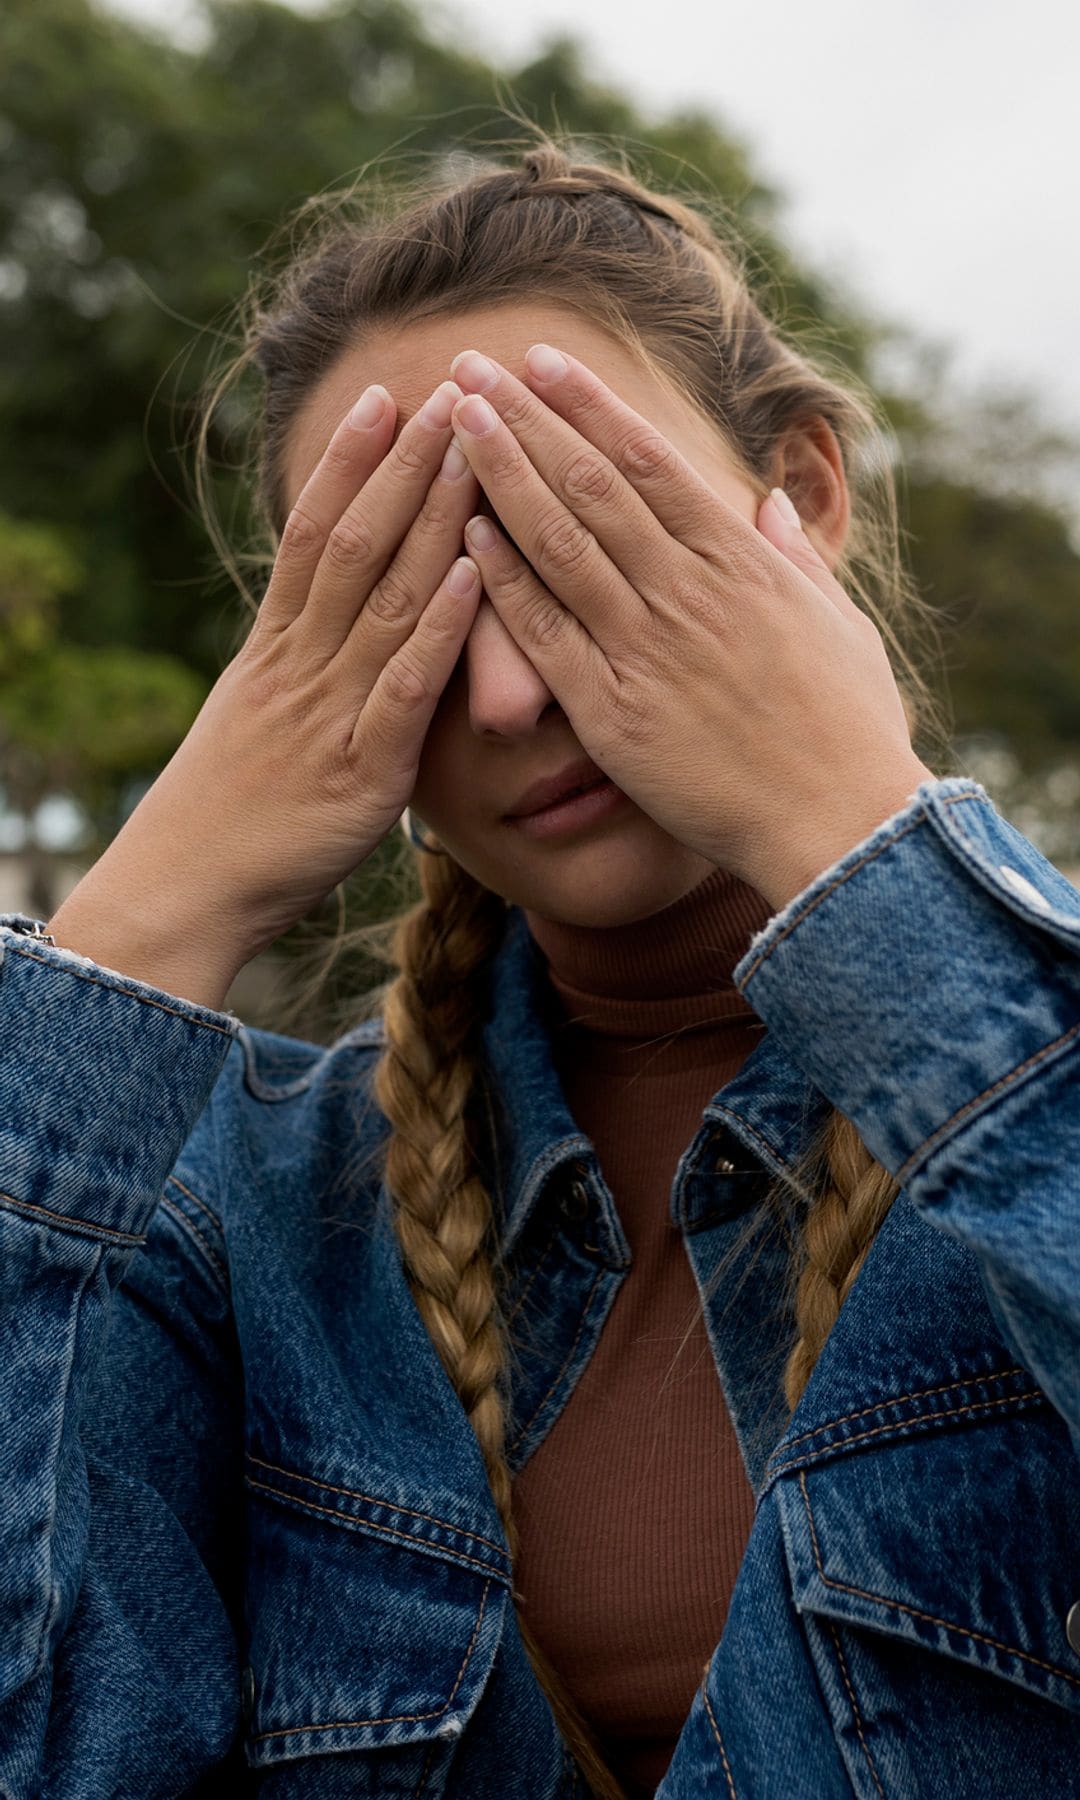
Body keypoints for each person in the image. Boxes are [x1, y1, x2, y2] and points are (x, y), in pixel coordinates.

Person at [2, 138, 1078, 1800]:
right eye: (405, 597)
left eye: (578, 544)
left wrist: (850, 829)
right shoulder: (245, 1212)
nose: (504, 695)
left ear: (801, 497)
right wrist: (152, 914)